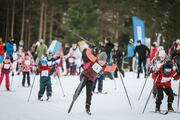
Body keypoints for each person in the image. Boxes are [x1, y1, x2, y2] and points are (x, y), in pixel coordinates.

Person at [70, 48, 117, 114]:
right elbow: (88, 53)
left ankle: (87, 107)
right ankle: (76, 94)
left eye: (103, 61)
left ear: (105, 61)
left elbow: (112, 69)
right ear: (98, 59)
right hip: (84, 75)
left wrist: (115, 63)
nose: (101, 62)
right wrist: (90, 48)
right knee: (82, 85)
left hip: (91, 79)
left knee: (89, 93)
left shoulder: (105, 67)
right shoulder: (94, 59)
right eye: (100, 60)